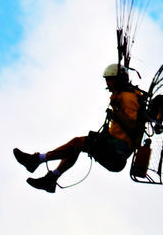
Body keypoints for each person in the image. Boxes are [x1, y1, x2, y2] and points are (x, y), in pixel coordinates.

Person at [13, 63, 145, 193]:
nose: (107, 83)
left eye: (109, 80)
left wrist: (116, 110)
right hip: (114, 146)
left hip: (116, 151)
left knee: (78, 142)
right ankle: (51, 179)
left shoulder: (128, 97)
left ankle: (36, 160)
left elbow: (131, 124)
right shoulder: (122, 95)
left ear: (118, 80)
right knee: (76, 146)